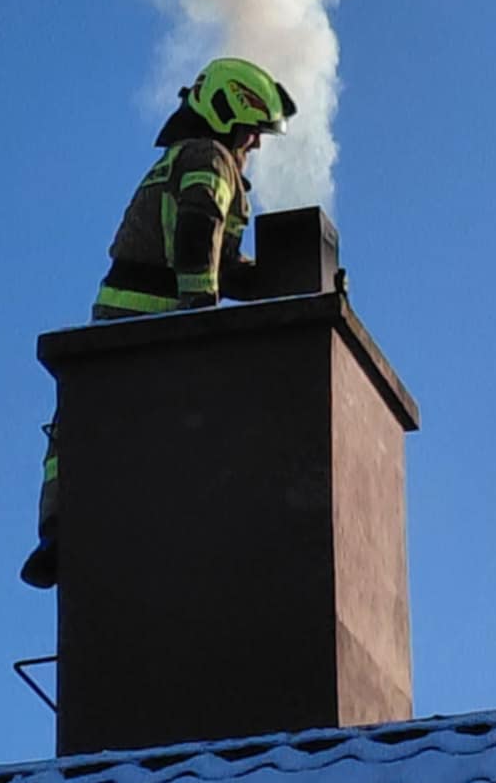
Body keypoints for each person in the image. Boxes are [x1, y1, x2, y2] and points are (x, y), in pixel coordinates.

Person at [20, 57, 296, 589]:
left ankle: (60, 533)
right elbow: (196, 237)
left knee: (81, 434)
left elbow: (225, 265)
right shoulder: (207, 158)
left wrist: (289, 278)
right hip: (151, 326)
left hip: (115, 334)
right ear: (226, 115)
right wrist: (200, 324)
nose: (255, 146)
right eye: (252, 132)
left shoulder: (191, 159)